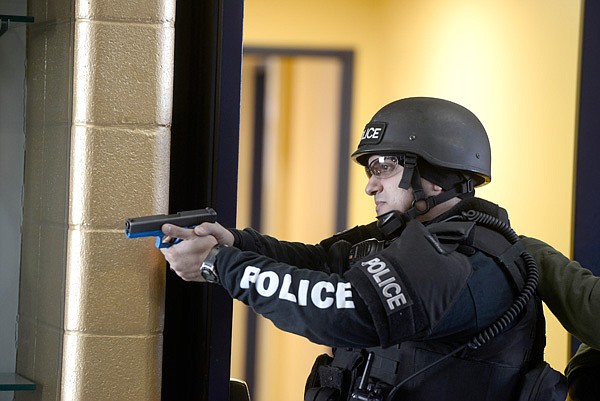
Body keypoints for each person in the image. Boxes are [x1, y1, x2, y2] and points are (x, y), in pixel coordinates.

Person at [161, 97, 567, 400]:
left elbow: (346, 309)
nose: (371, 185)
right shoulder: (412, 235)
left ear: (435, 177)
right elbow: (323, 261)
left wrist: (220, 265)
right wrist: (236, 243)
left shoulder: (466, 262)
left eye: (384, 168)